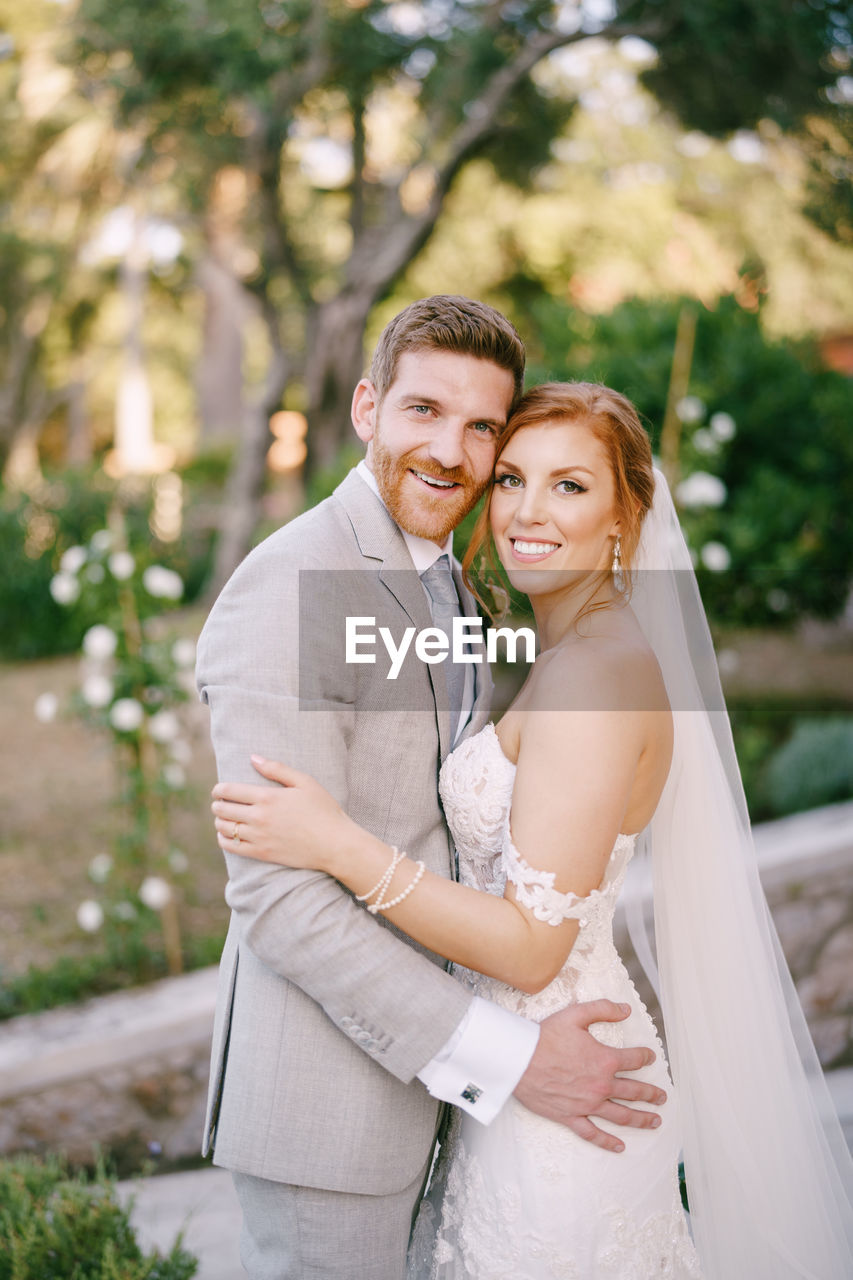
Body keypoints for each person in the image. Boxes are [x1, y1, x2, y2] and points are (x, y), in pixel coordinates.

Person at [214, 381, 853, 1277]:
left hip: (560, 1099)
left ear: (625, 515)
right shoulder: (570, 652)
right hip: (516, 1087)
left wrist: (335, 845)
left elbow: (529, 949)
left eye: (569, 487)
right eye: (510, 478)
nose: (525, 512)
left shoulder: (596, 677)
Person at [196, 305, 666, 1280]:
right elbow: (278, 896)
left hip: (453, 1087)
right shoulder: (291, 585)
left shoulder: (449, 583)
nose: (451, 451)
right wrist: (506, 1054)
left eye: (481, 427)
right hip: (335, 1112)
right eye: (423, 408)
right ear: (367, 406)